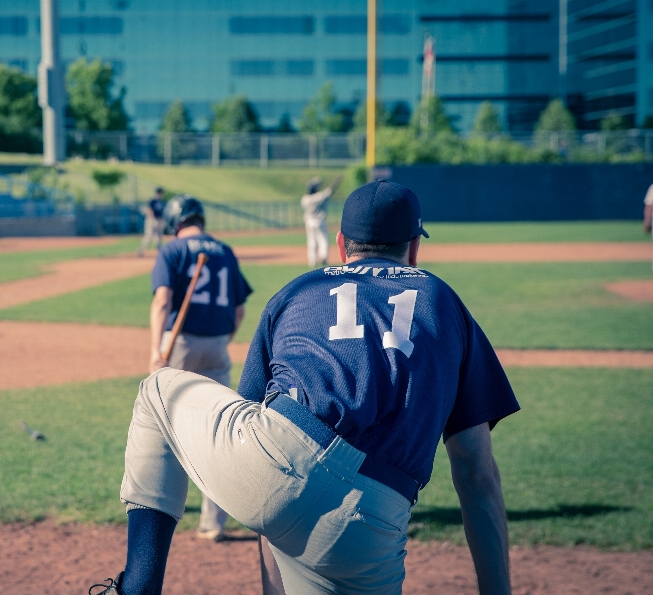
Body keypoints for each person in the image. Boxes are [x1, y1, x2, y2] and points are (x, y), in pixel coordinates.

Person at [91, 181, 519, 595]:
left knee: (158, 389)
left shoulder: (299, 289)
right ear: (414, 248)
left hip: (276, 464)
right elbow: (476, 473)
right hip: (377, 512)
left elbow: (258, 418)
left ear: (340, 244)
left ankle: (137, 587)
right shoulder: (443, 302)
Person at [147, 195, 252, 543]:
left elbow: (162, 300)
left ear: (174, 220)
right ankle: (213, 523)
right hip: (218, 344)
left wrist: (156, 351)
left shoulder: (172, 250)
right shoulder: (224, 250)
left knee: (164, 430)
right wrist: (222, 340)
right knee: (214, 433)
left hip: (181, 345)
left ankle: (155, 514)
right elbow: (239, 311)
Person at [300, 176, 341, 268]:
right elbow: (330, 191)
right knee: (323, 239)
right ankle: (323, 257)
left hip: (308, 221)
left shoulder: (304, 199)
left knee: (311, 241)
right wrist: (336, 182)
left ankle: (312, 261)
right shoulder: (318, 197)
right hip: (319, 220)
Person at [138, 187, 166, 257]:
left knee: (159, 237)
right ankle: (141, 251)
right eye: (159, 193)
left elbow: (162, 212)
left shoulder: (162, 202)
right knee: (149, 236)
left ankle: (160, 252)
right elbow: (150, 211)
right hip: (151, 220)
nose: (160, 194)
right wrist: (153, 220)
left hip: (159, 219)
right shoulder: (152, 201)